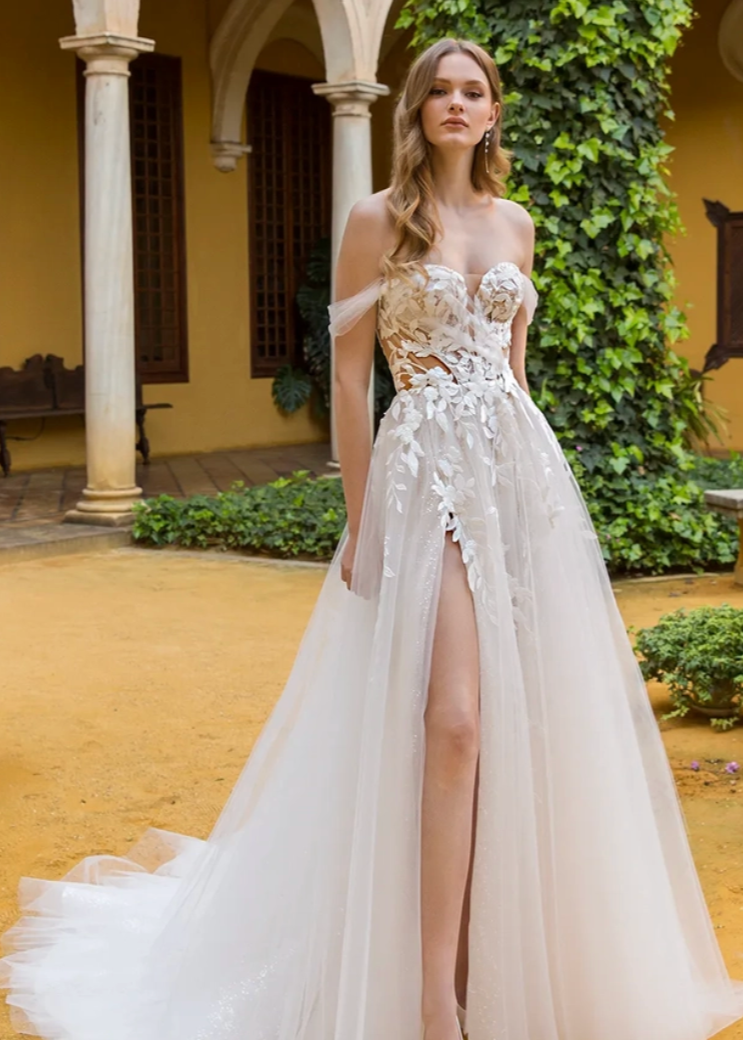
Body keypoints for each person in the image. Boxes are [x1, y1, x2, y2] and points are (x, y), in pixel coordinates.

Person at [2, 36, 743, 1040]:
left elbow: (512, 373)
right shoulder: (376, 221)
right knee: (453, 722)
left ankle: (492, 961)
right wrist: (361, 519)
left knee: (517, 728)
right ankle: (433, 997)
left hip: (515, 478)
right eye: (437, 89)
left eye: (472, 89)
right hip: (420, 470)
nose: (454, 102)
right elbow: (350, 378)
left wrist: (543, 512)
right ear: (415, 111)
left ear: (491, 111)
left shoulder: (517, 223)